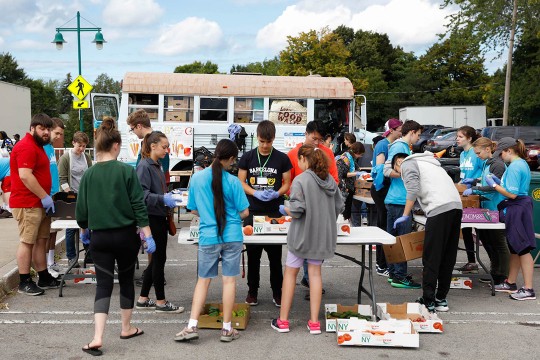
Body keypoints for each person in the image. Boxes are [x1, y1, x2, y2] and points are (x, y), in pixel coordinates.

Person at [76, 117, 155, 356]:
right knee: (127, 280)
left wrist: (85, 230)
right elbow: (138, 206)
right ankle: (126, 327)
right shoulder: (126, 171)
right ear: (117, 145)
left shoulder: (89, 175)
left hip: (99, 238)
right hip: (125, 238)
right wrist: (148, 235)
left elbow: (82, 212)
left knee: (103, 285)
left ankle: (97, 337)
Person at [175, 139, 249, 343]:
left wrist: (208, 215)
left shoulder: (197, 179)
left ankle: (191, 326)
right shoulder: (234, 182)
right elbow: (244, 212)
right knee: (229, 281)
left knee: (203, 281)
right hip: (232, 235)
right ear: (232, 159)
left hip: (208, 235)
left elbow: (192, 208)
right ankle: (226, 329)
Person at [271, 144, 343, 334]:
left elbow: (296, 210)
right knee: (315, 275)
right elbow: (339, 206)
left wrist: (285, 209)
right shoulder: (329, 181)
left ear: (303, 159)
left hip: (301, 236)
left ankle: (283, 321)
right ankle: (314, 323)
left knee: (290, 274)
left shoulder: (300, 180)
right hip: (322, 236)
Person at [391, 152, 463, 313]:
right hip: (456, 207)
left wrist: (405, 215)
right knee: (448, 256)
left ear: (398, 165)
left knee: (432, 256)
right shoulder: (430, 163)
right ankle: (441, 299)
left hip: (438, 209)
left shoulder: (408, 165)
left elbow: (413, 189)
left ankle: (428, 300)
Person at [238, 120, 292, 307]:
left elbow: (287, 183)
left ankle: (277, 292)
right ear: (257, 138)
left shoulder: (282, 159)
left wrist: (278, 193)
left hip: (274, 212)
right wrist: (255, 192)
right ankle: (252, 292)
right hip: (252, 211)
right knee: (253, 255)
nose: (265, 145)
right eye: (261, 141)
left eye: (268, 142)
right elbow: (241, 182)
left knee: (275, 257)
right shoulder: (247, 157)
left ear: (273, 139)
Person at [10, 114, 61, 295]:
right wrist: (44, 196)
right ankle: (24, 281)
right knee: (27, 241)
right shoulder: (26, 146)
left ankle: (44, 276)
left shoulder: (39, 147)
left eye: (48, 129)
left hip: (39, 202)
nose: (46, 132)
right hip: (28, 203)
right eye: (42, 128)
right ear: (32, 128)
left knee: (41, 241)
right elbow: (25, 175)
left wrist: (46, 197)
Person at [287, 120, 338, 296]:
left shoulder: (328, 153)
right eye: (314, 138)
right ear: (306, 133)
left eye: (320, 140)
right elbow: (288, 182)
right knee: (300, 248)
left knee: (314, 252)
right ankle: (309, 278)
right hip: (299, 210)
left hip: (320, 212)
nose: (317, 143)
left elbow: (334, 181)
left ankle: (309, 279)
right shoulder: (294, 154)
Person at [135, 131, 184, 313]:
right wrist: (163, 198)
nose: (167, 150)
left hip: (159, 216)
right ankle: (161, 302)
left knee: (157, 260)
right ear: (152, 146)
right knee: (159, 260)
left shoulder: (156, 165)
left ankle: (143, 298)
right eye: (164, 147)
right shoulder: (144, 166)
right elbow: (142, 195)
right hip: (152, 217)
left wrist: (168, 197)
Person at [486, 137, 536, 301]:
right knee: (515, 247)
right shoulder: (519, 164)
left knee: (522, 248)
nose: (501, 157)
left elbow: (512, 194)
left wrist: (494, 185)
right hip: (518, 206)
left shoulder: (515, 166)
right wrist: (499, 182)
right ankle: (511, 282)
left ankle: (528, 289)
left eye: (502, 154)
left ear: (509, 151)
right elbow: (510, 188)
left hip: (517, 207)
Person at [127, 109, 170, 287]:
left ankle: (153, 273)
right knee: (153, 244)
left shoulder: (151, 143)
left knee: (154, 245)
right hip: (155, 199)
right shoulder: (154, 141)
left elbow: (156, 171)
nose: (133, 132)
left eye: (132, 129)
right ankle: (151, 274)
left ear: (138, 126)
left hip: (152, 203)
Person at [383, 120, 423, 289]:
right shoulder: (400, 148)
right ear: (412, 132)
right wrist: (408, 176)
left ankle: (394, 273)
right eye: (418, 135)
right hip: (400, 200)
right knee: (402, 240)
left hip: (395, 199)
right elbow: (387, 170)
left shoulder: (401, 147)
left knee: (394, 239)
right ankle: (399, 275)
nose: (418, 138)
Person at [465, 137, 509, 286]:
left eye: (478, 153)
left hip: (496, 208)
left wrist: (475, 188)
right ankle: (494, 272)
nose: (477, 156)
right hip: (486, 209)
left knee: (498, 243)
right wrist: (475, 181)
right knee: (488, 242)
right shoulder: (486, 164)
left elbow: (494, 187)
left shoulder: (497, 164)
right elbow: (486, 181)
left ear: (487, 149)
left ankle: (502, 275)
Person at [370, 119, 402, 276]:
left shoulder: (390, 144)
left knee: (384, 225)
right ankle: (381, 265)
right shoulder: (383, 144)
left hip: (383, 188)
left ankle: (382, 263)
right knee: (383, 227)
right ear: (393, 130)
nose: (401, 132)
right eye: (400, 129)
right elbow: (380, 167)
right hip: (381, 188)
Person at [58, 131, 93, 269]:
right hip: (71, 197)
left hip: (85, 196)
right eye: (79, 146)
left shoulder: (87, 157)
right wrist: (71, 195)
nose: (82, 149)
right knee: (71, 228)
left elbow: (90, 175)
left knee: (88, 225)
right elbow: (62, 180)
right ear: (73, 143)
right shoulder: (66, 158)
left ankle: (89, 253)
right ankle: (71, 257)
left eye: (84, 146)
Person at [455, 125, 483, 274]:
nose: (457, 139)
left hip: (477, 195)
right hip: (465, 195)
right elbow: (462, 177)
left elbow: (485, 173)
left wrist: (474, 181)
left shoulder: (476, 153)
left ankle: (496, 268)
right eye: (457, 136)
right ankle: (471, 261)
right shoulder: (462, 155)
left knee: (483, 231)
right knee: (465, 228)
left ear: (469, 138)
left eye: (460, 136)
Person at [43, 117, 65, 278]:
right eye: (57, 133)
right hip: (46, 197)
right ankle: (45, 265)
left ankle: (51, 262)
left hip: (54, 196)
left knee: (53, 232)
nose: (58, 137)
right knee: (45, 233)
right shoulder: (42, 148)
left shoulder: (50, 148)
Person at [336, 142, 365, 221]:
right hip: (344, 189)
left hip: (350, 187)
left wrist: (360, 172)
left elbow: (357, 168)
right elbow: (341, 174)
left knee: (348, 210)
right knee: (344, 212)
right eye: (360, 154)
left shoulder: (351, 158)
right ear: (357, 152)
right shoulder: (344, 159)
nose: (360, 156)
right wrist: (356, 173)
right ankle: (343, 227)